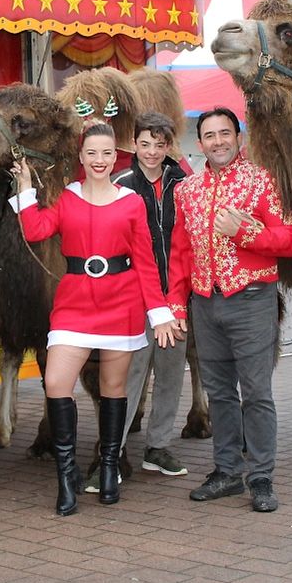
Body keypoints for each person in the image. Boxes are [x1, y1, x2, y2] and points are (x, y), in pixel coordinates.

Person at [11, 123, 176, 516]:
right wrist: (23, 189)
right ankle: (66, 479)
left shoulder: (132, 201)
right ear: (81, 158)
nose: (99, 160)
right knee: (56, 382)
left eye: (106, 153)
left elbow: (147, 261)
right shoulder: (66, 198)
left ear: (113, 157)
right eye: (91, 153)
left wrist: (160, 311)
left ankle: (107, 470)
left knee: (112, 389)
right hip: (74, 301)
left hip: (122, 301)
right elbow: (35, 230)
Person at [167, 108, 292, 513]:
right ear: (199, 143)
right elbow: (180, 253)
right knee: (220, 393)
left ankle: (260, 476)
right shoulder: (187, 191)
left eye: (225, 133)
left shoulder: (264, 182)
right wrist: (177, 303)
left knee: (257, 393)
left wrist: (246, 233)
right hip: (205, 304)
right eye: (209, 135)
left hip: (251, 301)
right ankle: (226, 471)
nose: (218, 141)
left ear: (239, 137)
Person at [83, 112, 188, 493]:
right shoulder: (121, 185)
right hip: (136, 299)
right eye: (145, 143)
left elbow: (188, 245)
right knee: (129, 378)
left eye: (160, 144)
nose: (152, 152)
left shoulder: (183, 184)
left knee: (172, 375)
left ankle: (158, 447)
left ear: (169, 146)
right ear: (135, 144)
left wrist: (179, 299)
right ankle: (113, 451)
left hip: (176, 298)